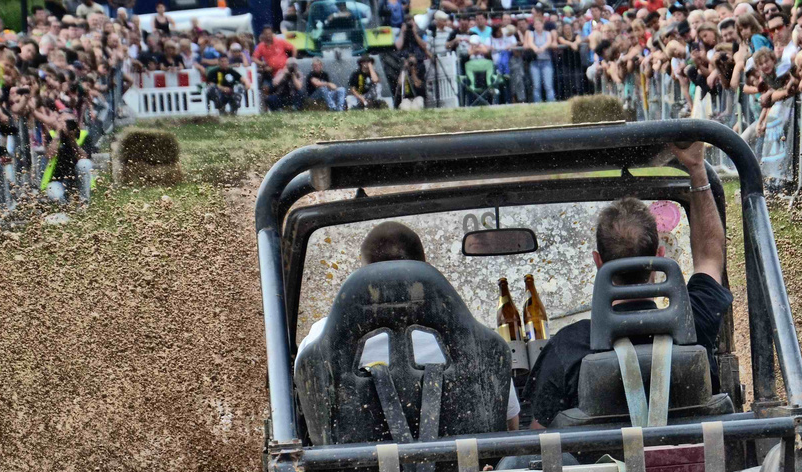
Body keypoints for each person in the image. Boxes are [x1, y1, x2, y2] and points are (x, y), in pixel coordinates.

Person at [527, 142, 731, 429]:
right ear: (660, 256)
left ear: (599, 262)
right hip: (696, 470)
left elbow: (538, 438)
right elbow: (711, 256)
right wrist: (697, 170)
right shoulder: (694, 324)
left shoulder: (569, 347)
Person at [299, 221, 521, 431]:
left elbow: (315, 421)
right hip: (471, 468)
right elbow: (509, 422)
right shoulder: (470, 335)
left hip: (354, 471)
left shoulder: (322, 337)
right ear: (423, 267)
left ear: (366, 273)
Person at [199, 50, 245, 114]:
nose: (224, 63)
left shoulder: (231, 71)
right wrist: (223, 88)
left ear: (228, 62)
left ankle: (233, 111)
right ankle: (221, 110)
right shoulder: (213, 72)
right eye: (222, 61)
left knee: (239, 87)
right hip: (219, 92)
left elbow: (242, 79)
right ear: (219, 62)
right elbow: (210, 84)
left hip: (230, 92)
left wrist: (247, 84)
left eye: (225, 61)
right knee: (212, 89)